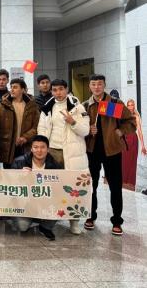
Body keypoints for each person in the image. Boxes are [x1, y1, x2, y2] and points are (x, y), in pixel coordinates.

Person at [82, 74, 136, 236]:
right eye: (93, 84)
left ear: (104, 85)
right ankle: (90, 216)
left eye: (99, 84)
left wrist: (120, 131)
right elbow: (78, 128)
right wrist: (88, 130)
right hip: (91, 151)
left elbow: (131, 122)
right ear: (89, 86)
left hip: (112, 150)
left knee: (115, 186)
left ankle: (117, 221)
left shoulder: (114, 103)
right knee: (91, 186)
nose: (96, 87)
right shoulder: (86, 105)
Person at [37, 79, 90, 235]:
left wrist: (72, 121)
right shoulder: (47, 107)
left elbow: (85, 130)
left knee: (74, 187)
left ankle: (74, 222)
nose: (58, 93)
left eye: (61, 89)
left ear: (67, 89)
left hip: (72, 153)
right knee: (53, 187)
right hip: (53, 152)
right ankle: (51, 218)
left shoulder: (77, 107)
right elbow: (42, 129)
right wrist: (42, 148)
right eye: (55, 90)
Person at [12, 135, 62, 241]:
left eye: (42, 147)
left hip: (45, 203)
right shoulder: (19, 162)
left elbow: (60, 189)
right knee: (22, 226)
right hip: (25, 204)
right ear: (31, 149)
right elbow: (9, 186)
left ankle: (44, 227)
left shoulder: (55, 165)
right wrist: (19, 176)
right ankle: (31, 219)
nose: (39, 150)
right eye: (36, 147)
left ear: (48, 149)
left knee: (60, 204)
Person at [0, 78, 39, 168]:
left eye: (15, 87)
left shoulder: (32, 106)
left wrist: (25, 137)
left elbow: (36, 126)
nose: (12, 90)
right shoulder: (3, 105)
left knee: (25, 172)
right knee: (8, 173)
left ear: (23, 90)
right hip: (8, 146)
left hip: (26, 145)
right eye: (11, 87)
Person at [122, 99, 147, 191]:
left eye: (132, 105)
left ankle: (130, 183)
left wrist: (143, 146)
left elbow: (139, 131)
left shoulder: (136, 117)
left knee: (132, 162)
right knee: (123, 161)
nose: (130, 107)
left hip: (133, 140)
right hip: (124, 139)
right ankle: (122, 182)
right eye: (128, 105)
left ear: (134, 106)